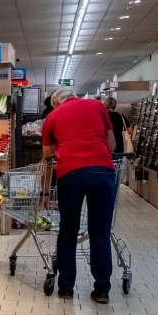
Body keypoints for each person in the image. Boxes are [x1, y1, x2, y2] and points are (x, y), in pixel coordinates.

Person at [42, 88, 117, 303]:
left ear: (56, 101)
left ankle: (66, 287)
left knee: (68, 231)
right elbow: (111, 144)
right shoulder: (98, 106)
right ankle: (102, 290)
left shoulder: (52, 117)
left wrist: (45, 192)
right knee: (100, 232)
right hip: (103, 172)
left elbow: (48, 161)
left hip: (70, 173)